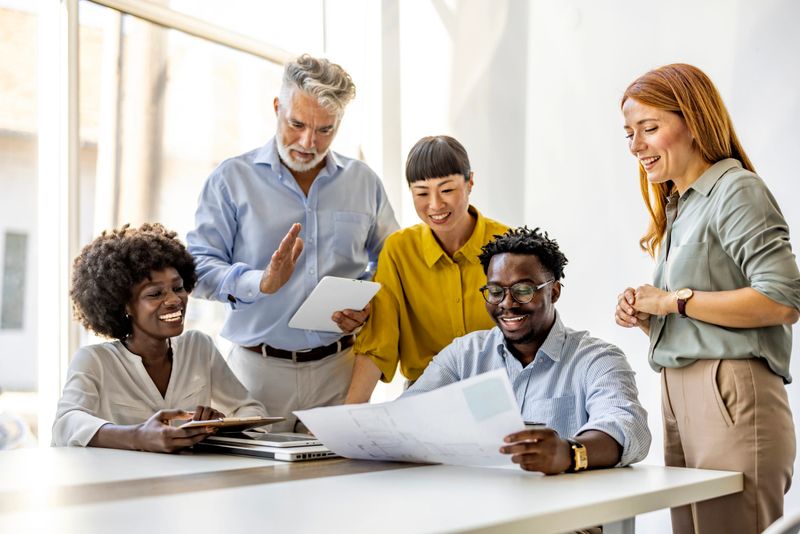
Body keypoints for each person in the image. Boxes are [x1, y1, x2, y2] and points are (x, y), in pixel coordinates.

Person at [614, 63, 800, 534]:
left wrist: (672, 301)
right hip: (679, 392)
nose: (636, 146)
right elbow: (704, 307)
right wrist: (648, 315)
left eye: (649, 128)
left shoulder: (735, 190)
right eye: (629, 133)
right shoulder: (681, 203)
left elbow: (782, 299)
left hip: (729, 391)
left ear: (693, 121)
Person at [187, 54, 399, 432]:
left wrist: (366, 300)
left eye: (324, 130)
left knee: (339, 488)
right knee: (254, 489)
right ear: (276, 108)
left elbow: (394, 261)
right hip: (255, 375)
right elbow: (198, 268)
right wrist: (258, 282)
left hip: (340, 372)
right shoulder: (231, 179)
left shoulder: (363, 182)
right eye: (297, 124)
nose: (307, 142)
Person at [407, 227, 651, 476]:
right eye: (495, 291)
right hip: (478, 506)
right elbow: (406, 416)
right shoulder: (463, 356)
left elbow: (627, 427)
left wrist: (568, 453)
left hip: (564, 509)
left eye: (523, 291)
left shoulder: (596, 359)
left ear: (553, 292)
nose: (507, 303)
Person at [53, 223, 266, 452]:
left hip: (191, 481)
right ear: (125, 306)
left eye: (178, 288)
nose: (174, 300)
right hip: (124, 483)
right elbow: (66, 423)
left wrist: (218, 426)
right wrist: (137, 437)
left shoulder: (198, 347)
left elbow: (252, 412)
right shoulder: (95, 361)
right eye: (155, 293)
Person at [344, 135, 508, 403]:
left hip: (495, 394)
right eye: (421, 193)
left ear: (470, 182)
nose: (435, 205)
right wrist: (347, 419)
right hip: (425, 396)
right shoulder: (399, 250)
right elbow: (377, 346)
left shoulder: (506, 243)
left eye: (446, 190)